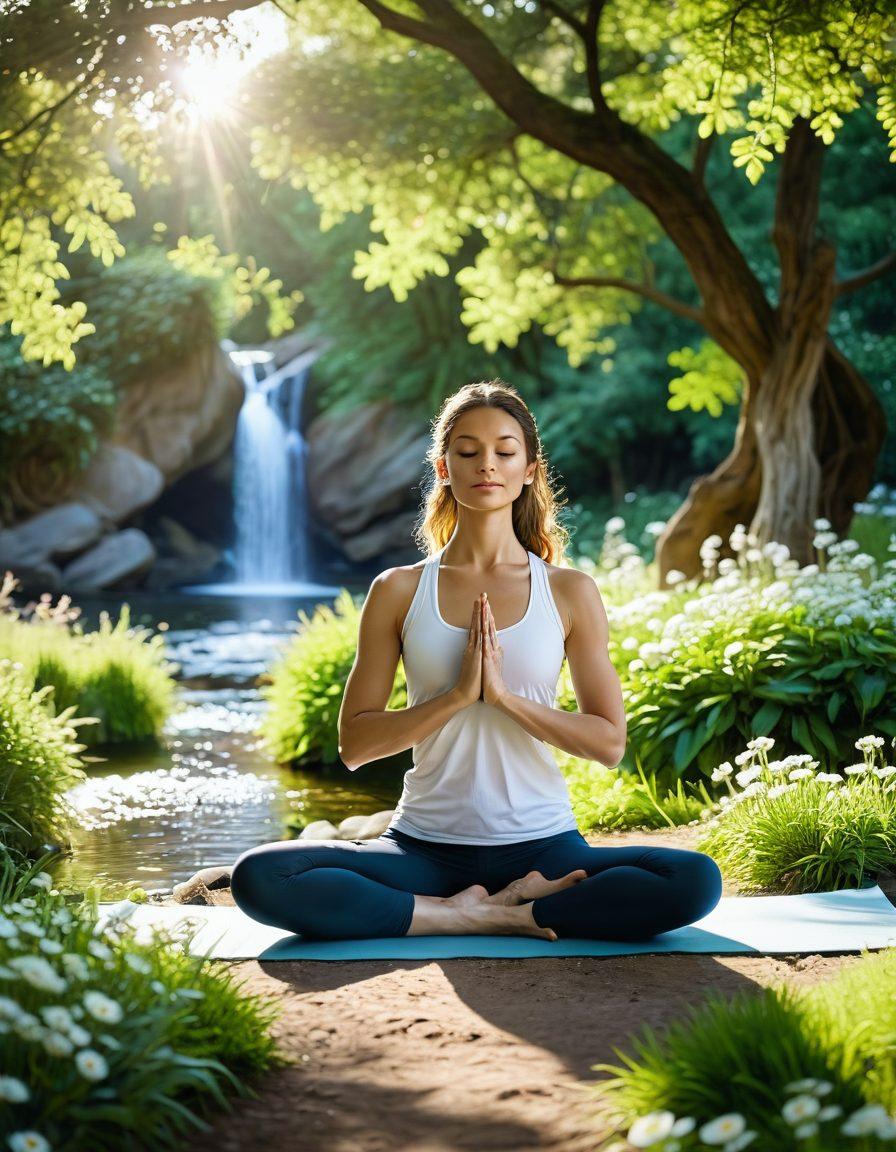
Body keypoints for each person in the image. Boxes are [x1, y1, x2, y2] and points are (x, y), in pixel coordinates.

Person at [229, 380, 723, 942]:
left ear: (530, 469)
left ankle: (497, 907)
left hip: (544, 850)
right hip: (424, 848)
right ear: (444, 468)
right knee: (263, 876)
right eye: (467, 452)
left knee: (693, 879)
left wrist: (505, 700)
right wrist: (457, 697)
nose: (486, 465)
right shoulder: (397, 590)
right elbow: (355, 745)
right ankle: (479, 914)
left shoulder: (568, 591)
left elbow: (608, 744)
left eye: (504, 451)